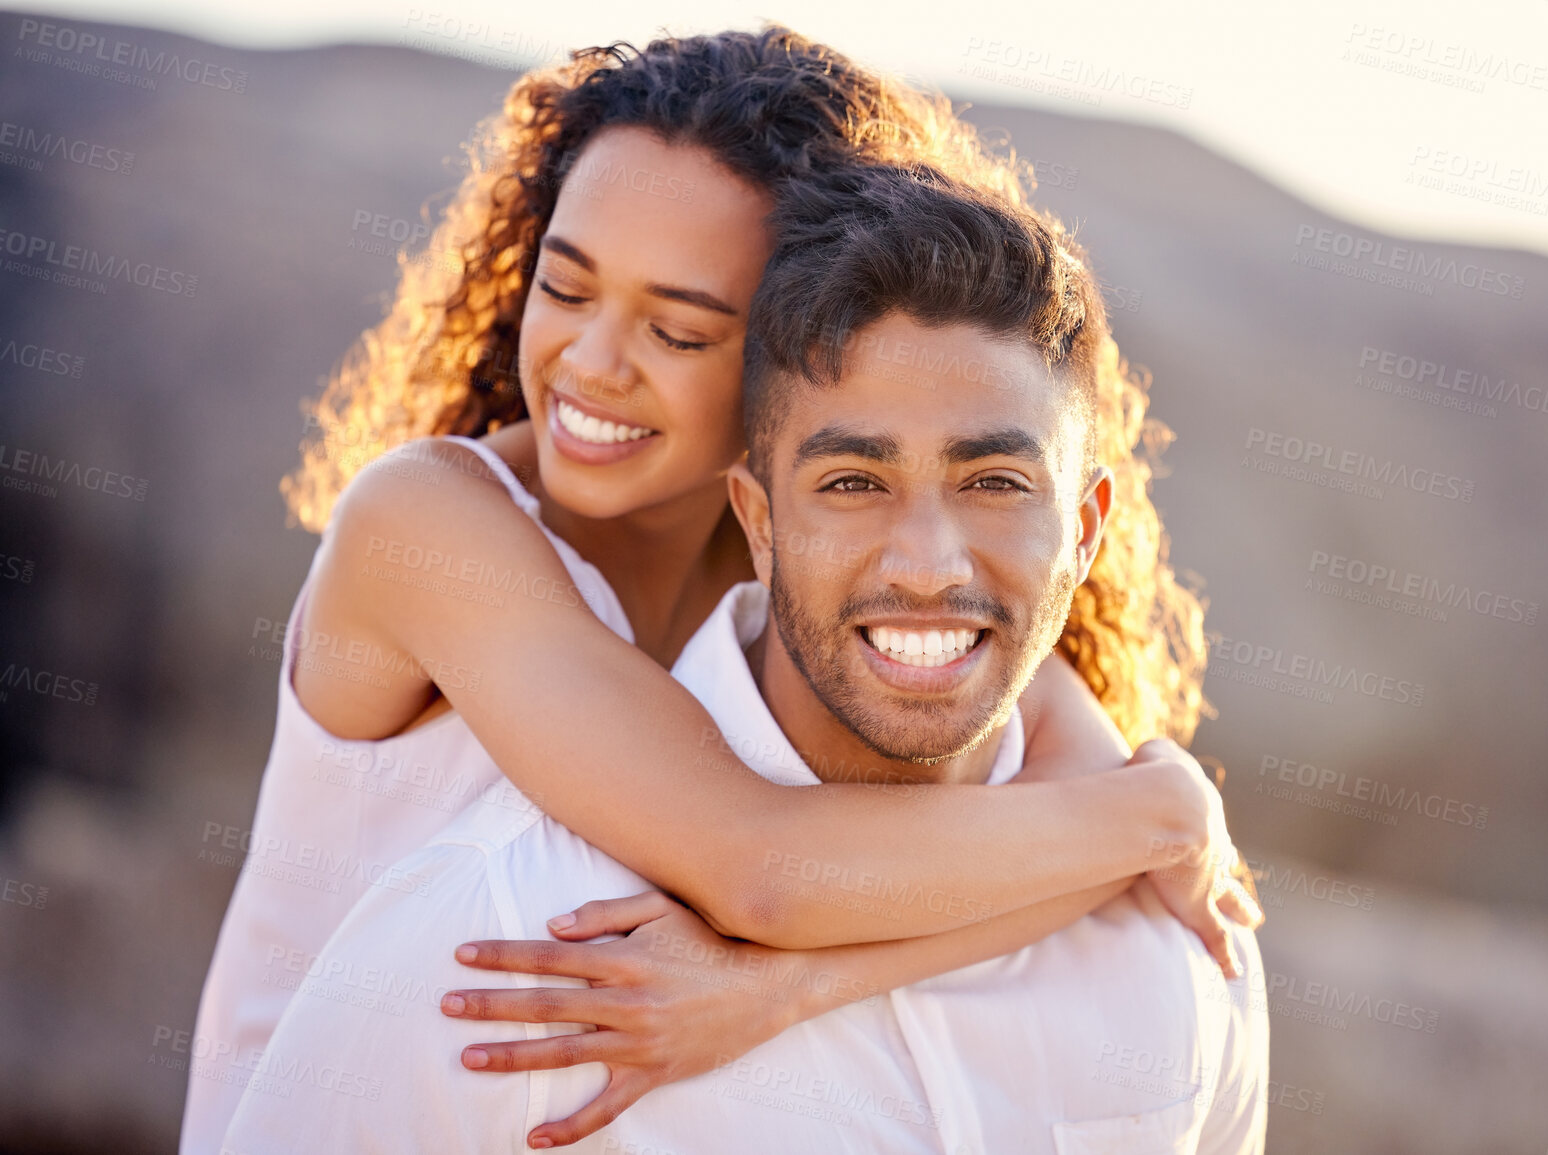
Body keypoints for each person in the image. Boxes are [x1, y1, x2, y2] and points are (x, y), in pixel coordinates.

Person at [185, 27, 1253, 1154]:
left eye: (679, 329)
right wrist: (1163, 813)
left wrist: (782, 994)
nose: (594, 363)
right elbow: (762, 867)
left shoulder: (803, 558)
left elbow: (1062, 842)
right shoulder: (428, 527)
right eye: (566, 286)